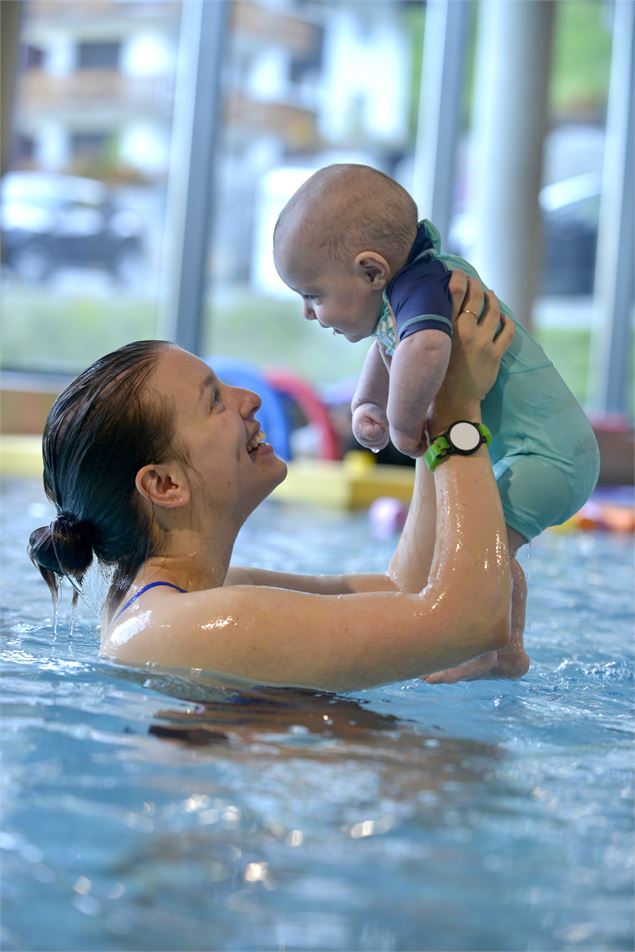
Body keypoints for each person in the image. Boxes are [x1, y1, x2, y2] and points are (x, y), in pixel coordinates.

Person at [29, 274, 514, 692]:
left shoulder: (193, 600)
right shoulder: (188, 626)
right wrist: (458, 416)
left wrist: (427, 401)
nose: (251, 398)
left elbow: (405, 591)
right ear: (164, 484)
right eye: (215, 401)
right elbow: (470, 623)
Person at [273, 163, 600, 682]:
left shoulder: (428, 292)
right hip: (539, 450)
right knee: (470, 544)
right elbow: (392, 348)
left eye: (313, 295)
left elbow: (423, 347)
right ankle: (498, 644)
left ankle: (494, 646)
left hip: (550, 456)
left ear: (372, 271)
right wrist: (367, 403)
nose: (309, 314)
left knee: (481, 549)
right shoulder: (409, 287)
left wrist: (404, 429)